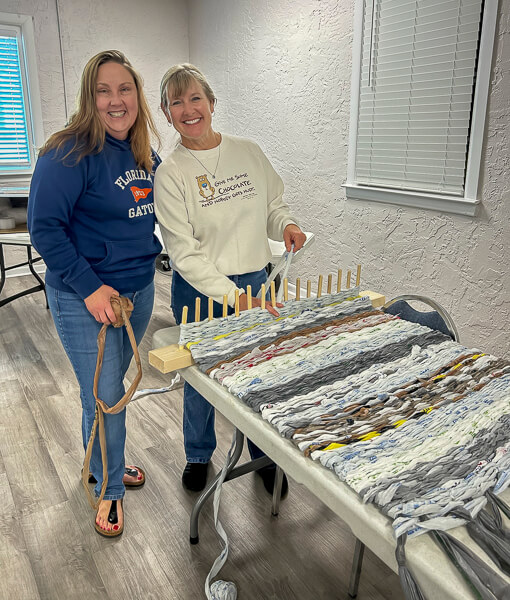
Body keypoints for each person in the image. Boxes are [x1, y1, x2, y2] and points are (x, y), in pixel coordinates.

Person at [154, 63, 306, 494]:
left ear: (212, 103)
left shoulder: (249, 153)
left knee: (257, 372)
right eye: (176, 102)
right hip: (201, 290)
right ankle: (198, 454)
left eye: (195, 98)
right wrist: (232, 296)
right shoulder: (171, 172)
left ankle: (263, 452)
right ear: (166, 113)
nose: (188, 109)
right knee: (201, 375)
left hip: (257, 281)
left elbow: (272, 206)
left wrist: (286, 226)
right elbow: (183, 251)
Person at [28, 50, 162, 537]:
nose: (115, 99)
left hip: (139, 291)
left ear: (136, 96)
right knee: (109, 396)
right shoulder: (67, 152)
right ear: (90, 97)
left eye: (124, 88)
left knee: (102, 390)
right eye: (103, 90)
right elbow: (44, 228)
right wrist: (89, 288)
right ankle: (109, 489)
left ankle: (101, 462)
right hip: (86, 297)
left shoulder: (145, 151)